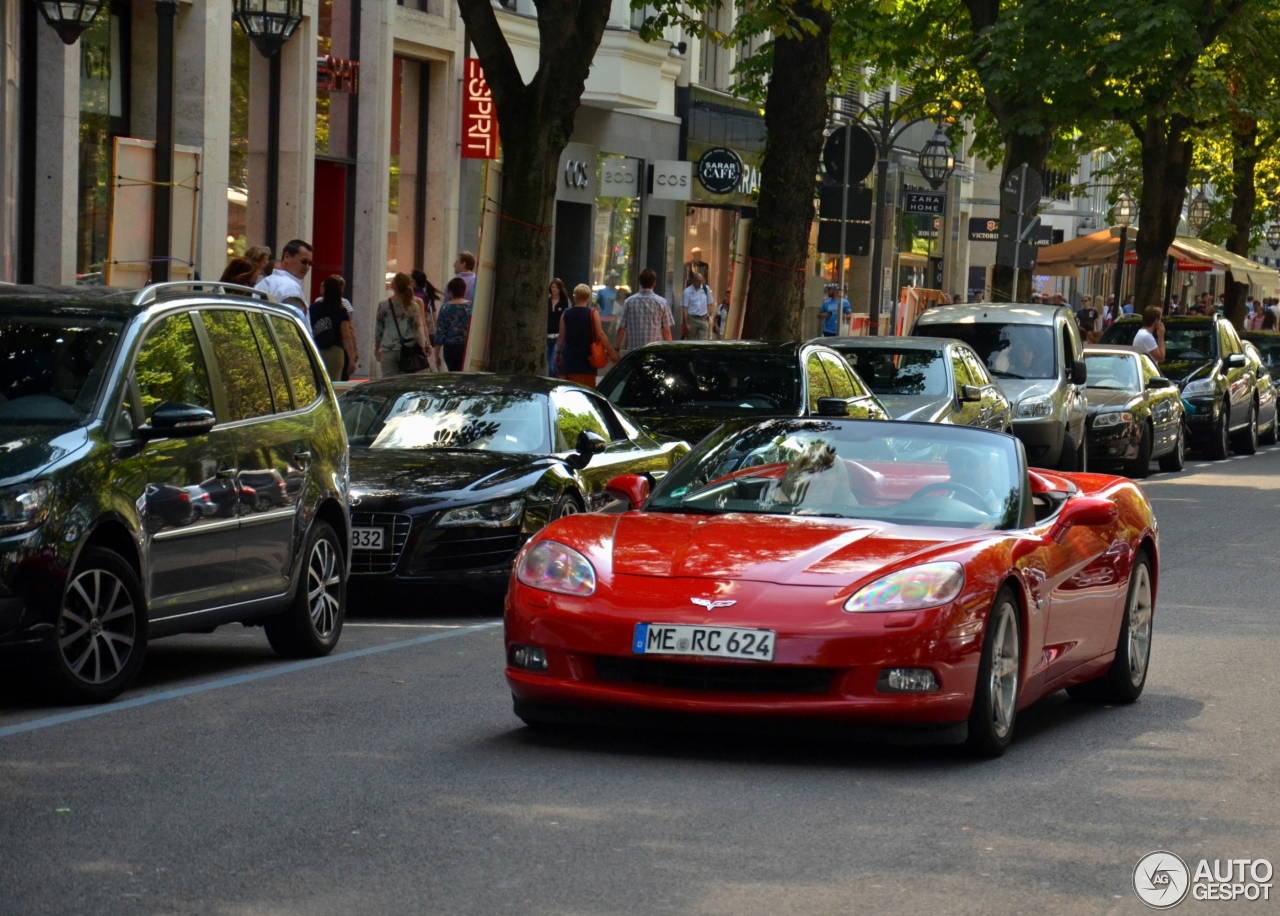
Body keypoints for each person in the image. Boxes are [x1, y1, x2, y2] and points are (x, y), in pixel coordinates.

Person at [557, 284, 619, 388]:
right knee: (587, 388)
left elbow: (561, 336)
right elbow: (600, 334)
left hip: (570, 357)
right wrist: (611, 352)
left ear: (575, 296)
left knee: (571, 388)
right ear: (588, 297)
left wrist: (558, 352)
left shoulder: (566, 313)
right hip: (588, 358)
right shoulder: (592, 313)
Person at [374, 272, 428, 378]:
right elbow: (418, 329)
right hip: (408, 349)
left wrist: (377, 347)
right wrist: (422, 347)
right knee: (407, 383)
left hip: (388, 349)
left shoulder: (383, 305)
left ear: (394, 285)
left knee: (388, 383)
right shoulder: (413, 306)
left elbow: (379, 329)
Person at [310, 276, 358, 381]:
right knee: (334, 385)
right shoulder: (341, 311)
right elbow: (346, 335)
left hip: (316, 349)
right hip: (335, 351)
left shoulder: (313, 308)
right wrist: (352, 358)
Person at [615, 267, 674, 352]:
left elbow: (621, 328)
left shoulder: (629, 302)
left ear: (640, 282)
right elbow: (666, 331)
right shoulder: (662, 302)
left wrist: (616, 348)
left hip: (635, 352)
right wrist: (670, 350)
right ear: (654, 283)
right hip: (655, 351)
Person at [255, 239, 312, 315]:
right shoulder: (291, 288)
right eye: (304, 262)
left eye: (310, 263)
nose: (307, 267)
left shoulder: (263, 282)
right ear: (287, 257)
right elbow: (293, 323)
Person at [436, 277, 473, 372]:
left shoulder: (445, 307)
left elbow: (440, 332)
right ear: (464, 290)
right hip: (466, 346)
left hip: (450, 347)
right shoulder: (470, 306)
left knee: (453, 373)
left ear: (450, 291)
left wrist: (436, 355)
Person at [546, 278, 570, 376]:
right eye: (553, 287)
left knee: (553, 365)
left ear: (560, 289)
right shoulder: (547, 301)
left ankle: (551, 384)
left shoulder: (565, 302)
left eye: (556, 287)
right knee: (549, 363)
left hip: (558, 336)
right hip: (547, 336)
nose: (554, 289)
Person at [681, 271, 712, 340]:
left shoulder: (706, 289)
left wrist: (708, 314)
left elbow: (709, 303)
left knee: (703, 341)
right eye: (698, 281)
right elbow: (685, 308)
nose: (700, 283)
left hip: (703, 318)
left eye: (701, 281)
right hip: (692, 319)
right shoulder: (687, 291)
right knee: (691, 341)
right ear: (693, 281)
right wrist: (686, 323)